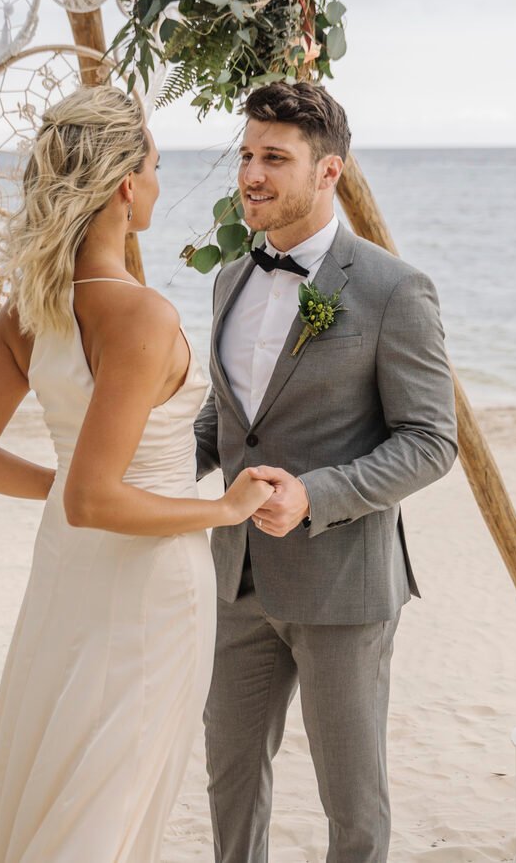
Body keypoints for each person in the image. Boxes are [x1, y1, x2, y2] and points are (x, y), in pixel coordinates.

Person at [0, 85, 273, 863]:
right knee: (112, 791)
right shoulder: (143, 316)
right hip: (152, 583)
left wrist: (64, 491)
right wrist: (221, 510)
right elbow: (95, 495)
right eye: (154, 166)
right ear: (126, 185)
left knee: (59, 763)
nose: (158, 181)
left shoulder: (28, 310)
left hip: (64, 571)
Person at [195, 82, 459, 863]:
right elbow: (226, 423)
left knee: (352, 800)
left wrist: (317, 495)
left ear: (329, 172)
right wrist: (139, 470)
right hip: (236, 580)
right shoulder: (228, 280)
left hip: (344, 590)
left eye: (275, 157)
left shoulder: (392, 289)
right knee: (229, 773)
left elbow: (430, 439)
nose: (252, 174)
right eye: (247, 155)